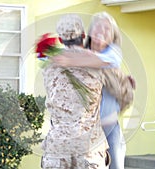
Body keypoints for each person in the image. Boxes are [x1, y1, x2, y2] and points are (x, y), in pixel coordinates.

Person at [52, 12, 135, 169]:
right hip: (84, 131)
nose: (101, 31)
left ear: (112, 37)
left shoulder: (113, 52)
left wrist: (71, 59)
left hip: (109, 127)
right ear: (89, 31)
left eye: (107, 29)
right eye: (98, 26)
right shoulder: (79, 49)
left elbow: (102, 61)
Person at [40, 14, 110, 169]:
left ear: (60, 39)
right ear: (83, 36)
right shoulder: (98, 63)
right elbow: (124, 92)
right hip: (89, 149)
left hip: (57, 148)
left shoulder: (49, 66)